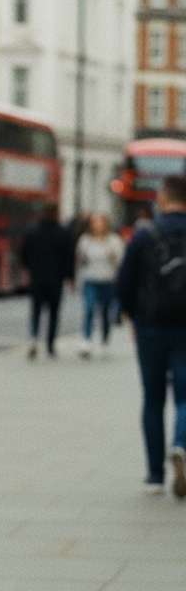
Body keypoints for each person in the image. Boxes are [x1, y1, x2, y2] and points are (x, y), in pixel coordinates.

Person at [116, 174, 186, 497]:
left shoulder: (145, 234)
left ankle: (155, 476)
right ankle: (181, 444)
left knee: (153, 399)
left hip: (151, 328)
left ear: (163, 197)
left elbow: (124, 283)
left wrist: (133, 317)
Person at [21, 200, 75, 357]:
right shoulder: (63, 232)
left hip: (37, 277)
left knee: (36, 310)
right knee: (53, 312)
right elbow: (69, 257)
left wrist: (27, 269)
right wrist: (70, 277)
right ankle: (50, 344)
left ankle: (33, 339)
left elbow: (24, 252)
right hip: (55, 278)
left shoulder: (33, 230)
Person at [76, 213, 125, 357]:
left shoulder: (114, 241)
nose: (98, 225)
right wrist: (76, 279)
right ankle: (86, 340)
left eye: (101, 222)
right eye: (95, 222)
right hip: (91, 279)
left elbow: (120, 261)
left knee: (105, 312)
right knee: (89, 309)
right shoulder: (85, 240)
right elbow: (80, 260)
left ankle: (105, 341)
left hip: (108, 280)